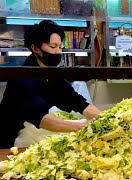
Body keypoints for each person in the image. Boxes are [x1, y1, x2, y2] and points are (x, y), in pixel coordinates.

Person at [0, 20, 101, 148]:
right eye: (53, 47)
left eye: (60, 47)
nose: (58, 52)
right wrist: (83, 127)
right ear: (35, 48)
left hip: (24, 137)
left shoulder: (52, 76)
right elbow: (42, 119)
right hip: (8, 142)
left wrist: (106, 118)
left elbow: (77, 102)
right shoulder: (22, 79)